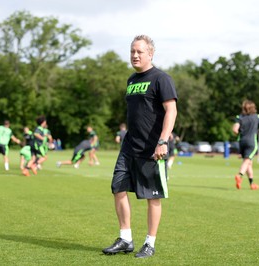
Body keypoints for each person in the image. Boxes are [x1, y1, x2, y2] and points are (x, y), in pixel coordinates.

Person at [102, 35, 177, 259]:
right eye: (132, 51)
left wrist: (163, 141)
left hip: (153, 149)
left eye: (140, 52)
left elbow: (171, 111)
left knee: (153, 197)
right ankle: (125, 239)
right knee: (118, 188)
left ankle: (150, 243)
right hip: (129, 147)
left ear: (150, 53)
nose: (135, 55)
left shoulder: (161, 79)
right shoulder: (132, 80)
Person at [232, 100, 259, 190]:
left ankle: (252, 184)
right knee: (247, 161)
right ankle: (239, 175)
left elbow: (235, 130)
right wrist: (256, 131)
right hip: (251, 142)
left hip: (241, 141)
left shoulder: (239, 117)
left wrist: (241, 132)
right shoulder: (257, 117)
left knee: (249, 163)